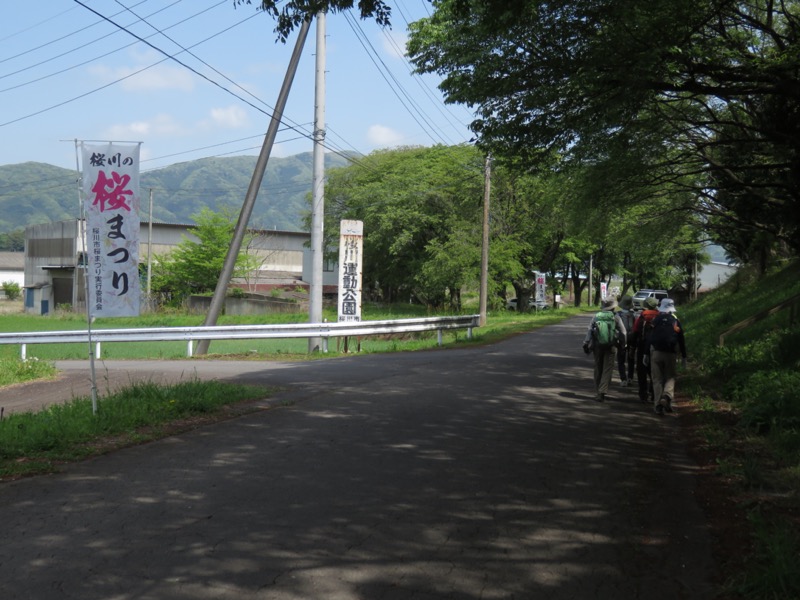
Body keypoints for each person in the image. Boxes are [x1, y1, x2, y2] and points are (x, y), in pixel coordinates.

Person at [582, 297, 627, 402]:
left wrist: (586, 343)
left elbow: (589, 331)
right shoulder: (615, 317)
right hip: (611, 346)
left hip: (597, 346)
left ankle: (598, 391)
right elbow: (623, 332)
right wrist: (623, 345)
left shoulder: (596, 316)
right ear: (613, 307)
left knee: (598, 367)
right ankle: (602, 391)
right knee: (607, 369)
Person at [649, 298, 687, 415]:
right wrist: (684, 356)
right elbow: (681, 340)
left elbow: (649, 338)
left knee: (657, 380)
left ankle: (658, 406)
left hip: (656, 353)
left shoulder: (655, 320)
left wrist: (646, 353)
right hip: (670, 353)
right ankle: (666, 396)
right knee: (670, 377)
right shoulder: (675, 321)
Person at [631, 296, 660, 403]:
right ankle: (653, 392)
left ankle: (643, 393)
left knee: (641, 371)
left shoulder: (642, 317)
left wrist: (632, 347)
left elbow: (635, 332)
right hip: (656, 348)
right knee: (654, 371)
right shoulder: (659, 316)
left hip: (642, 347)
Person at [616, 295, 636, 386]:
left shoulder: (618, 314)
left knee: (621, 360)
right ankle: (630, 378)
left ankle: (623, 379)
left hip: (621, 340)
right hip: (632, 339)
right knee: (631, 359)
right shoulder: (634, 315)